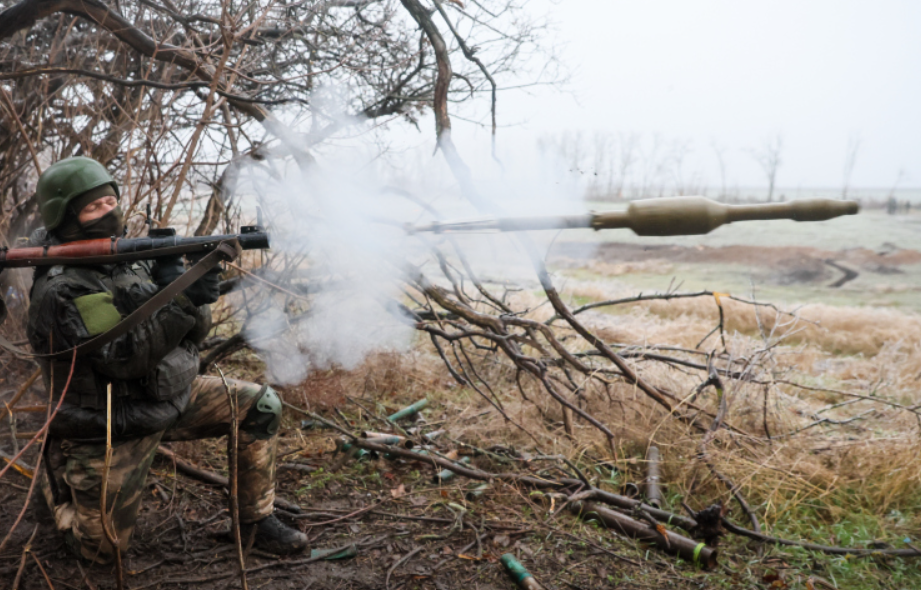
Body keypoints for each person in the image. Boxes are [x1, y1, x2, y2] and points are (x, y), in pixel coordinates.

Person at [27, 156, 307, 563]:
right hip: (109, 422)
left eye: (110, 201)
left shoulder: (130, 256)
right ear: (65, 218)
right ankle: (57, 485)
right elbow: (123, 360)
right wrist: (181, 300)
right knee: (101, 552)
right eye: (93, 208)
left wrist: (191, 288)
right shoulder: (64, 287)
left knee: (260, 406)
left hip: (166, 397)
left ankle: (254, 522)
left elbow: (194, 333)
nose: (109, 213)